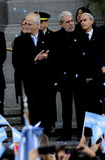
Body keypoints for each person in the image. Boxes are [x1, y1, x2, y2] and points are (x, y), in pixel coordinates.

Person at [12, 12, 51, 136]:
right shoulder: (19, 41)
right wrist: (34, 60)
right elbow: (16, 63)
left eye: (29, 24)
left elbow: (57, 61)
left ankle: (45, 138)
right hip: (29, 84)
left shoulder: (48, 39)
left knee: (45, 112)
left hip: (45, 83)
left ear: (37, 25)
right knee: (32, 113)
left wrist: (47, 58)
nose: (26, 26)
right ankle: (33, 138)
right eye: (25, 23)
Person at [52, 11, 86, 141]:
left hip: (79, 77)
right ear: (61, 24)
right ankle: (66, 132)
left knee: (80, 106)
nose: (71, 24)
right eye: (68, 22)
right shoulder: (56, 37)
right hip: (64, 78)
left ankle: (80, 132)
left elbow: (86, 56)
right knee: (66, 106)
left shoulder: (80, 33)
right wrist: (56, 78)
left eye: (72, 21)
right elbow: (54, 60)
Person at [80, 13, 104, 115]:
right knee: (87, 108)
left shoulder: (100, 35)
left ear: (92, 21)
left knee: (99, 107)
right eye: (81, 21)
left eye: (85, 20)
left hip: (99, 77)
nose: (82, 23)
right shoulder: (79, 37)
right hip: (85, 79)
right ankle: (87, 131)